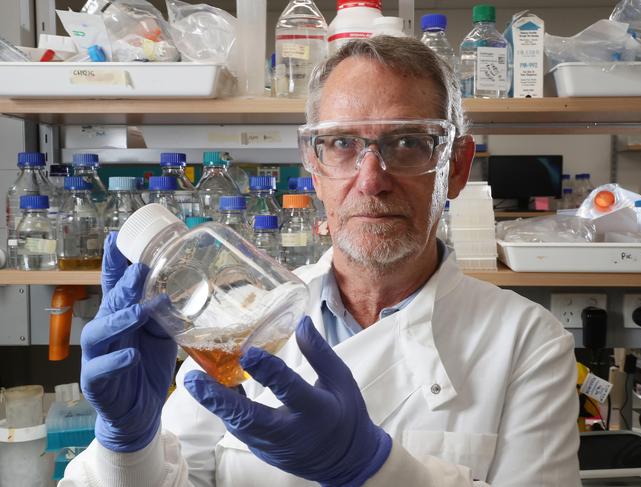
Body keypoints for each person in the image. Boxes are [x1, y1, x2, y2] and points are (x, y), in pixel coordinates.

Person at [61, 36, 580, 486]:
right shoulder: (236, 322)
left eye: (408, 143)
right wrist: (127, 444)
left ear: (457, 167)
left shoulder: (527, 342)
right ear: (313, 165)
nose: (372, 178)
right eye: (341, 144)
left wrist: (372, 468)